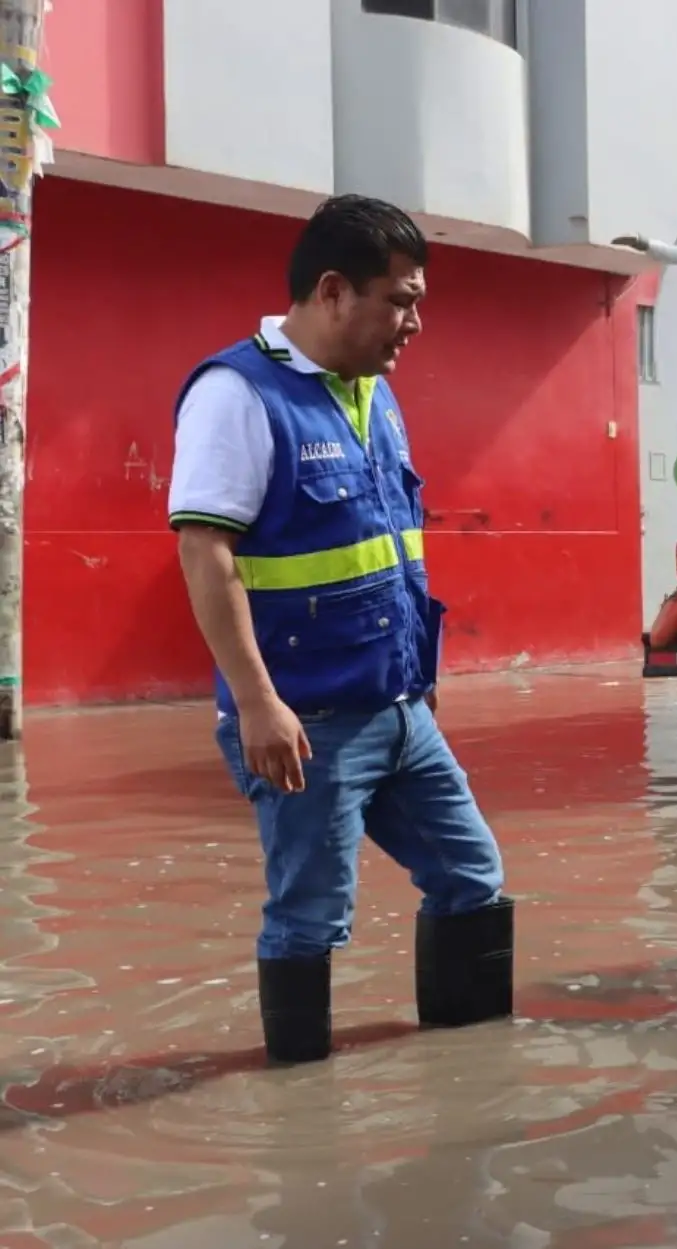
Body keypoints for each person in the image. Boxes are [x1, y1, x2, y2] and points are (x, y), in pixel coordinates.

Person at [169, 195, 512, 1065]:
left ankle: (472, 1075)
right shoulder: (238, 395)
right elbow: (205, 551)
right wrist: (256, 704)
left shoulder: (375, 395)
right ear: (332, 291)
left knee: (472, 875)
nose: (415, 323)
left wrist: (419, 681)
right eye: (399, 301)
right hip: (306, 723)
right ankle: (296, 1104)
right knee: (311, 917)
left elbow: (392, 547)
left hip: (401, 709)